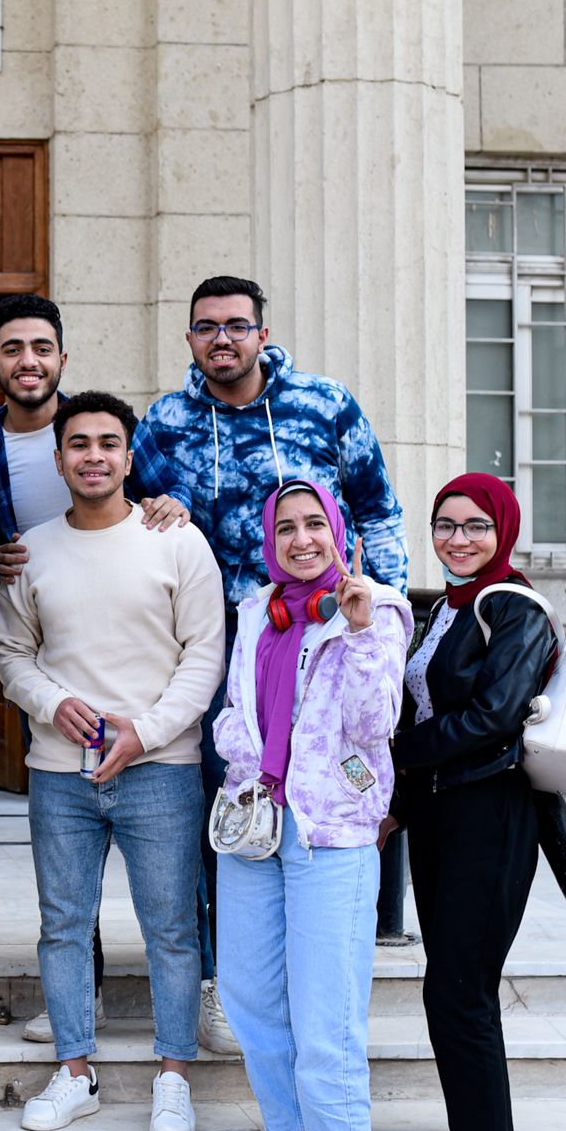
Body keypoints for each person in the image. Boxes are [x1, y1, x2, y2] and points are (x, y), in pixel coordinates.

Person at [142, 275, 408, 1033]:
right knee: (227, 803)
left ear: (262, 333)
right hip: (219, 641)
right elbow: (133, 516)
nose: (221, 339)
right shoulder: (165, 422)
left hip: (324, 633)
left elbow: (378, 511)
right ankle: (224, 978)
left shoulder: (323, 404)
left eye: (236, 325)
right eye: (206, 328)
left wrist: (382, 616)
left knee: (328, 793)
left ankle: (323, 962)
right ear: (190, 339)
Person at [0, 391, 224, 1131]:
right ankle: (74, 1073)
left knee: (172, 927)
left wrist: (145, 733)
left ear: (128, 457)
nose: (94, 456)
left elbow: (205, 655)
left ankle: (173, 1077)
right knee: (63, 925)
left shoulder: (178, 542)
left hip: (161, 769)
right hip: (60, 773)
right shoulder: (31, 550)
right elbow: (12, 653)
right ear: (59, 460)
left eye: (108, 443)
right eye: (79, 444)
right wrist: (52, 702)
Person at [0, 293, 193, 1045]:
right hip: (42, 626)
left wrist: (172, 508)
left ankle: (185, 1021)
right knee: (66, 901)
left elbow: (165, 501)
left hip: (139, 672)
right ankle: (81, 1004)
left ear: (61, 358)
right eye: (13, 348)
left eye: (41, 347)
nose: (28, 361)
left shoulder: (97, 426)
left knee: (171, 904)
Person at [215, 480, 412, 1131]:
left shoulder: (376, 608)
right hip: (256, 825)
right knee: (251, 997)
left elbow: (375, 723)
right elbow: (237, 710)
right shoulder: (256, 611)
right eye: (286, 528)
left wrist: (357, 633)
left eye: (314, 525)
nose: (302, 540)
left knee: (326, 1016)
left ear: (337, 530)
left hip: (331, 831)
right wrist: (246, 759)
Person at [383, 474, 557, 1131]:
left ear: (504, 530)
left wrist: (397, 753)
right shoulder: (448, 607)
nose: (458, 538)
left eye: (476, 525)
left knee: (461, 995)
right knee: (453, 993)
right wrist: (401, 795)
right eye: (445, 524)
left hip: (489, 815)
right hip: (442, 815)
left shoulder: (516, 608)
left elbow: (493, 717)